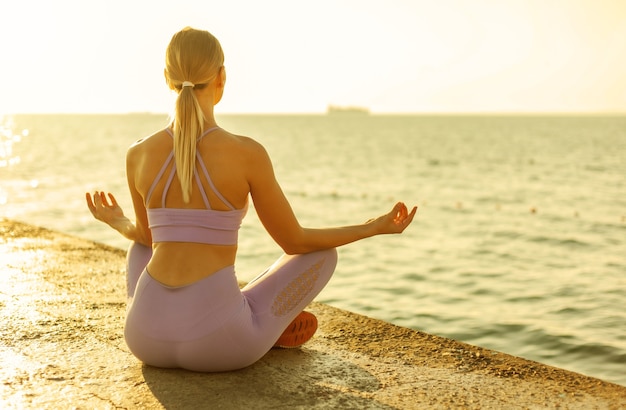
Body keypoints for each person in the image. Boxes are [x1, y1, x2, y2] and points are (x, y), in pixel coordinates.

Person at [86, 26, 417, 372]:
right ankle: (269, 326)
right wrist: (371, 227)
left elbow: (146, 238)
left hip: (144, 341)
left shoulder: (137, 153)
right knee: (323, 255)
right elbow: (296, 241)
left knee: (140, 248)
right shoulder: (246, 153)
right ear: (221, 78)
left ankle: (192, 314)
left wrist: (116, 221)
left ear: (167, 78)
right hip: (220, 346)